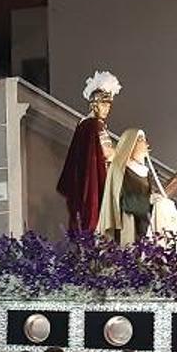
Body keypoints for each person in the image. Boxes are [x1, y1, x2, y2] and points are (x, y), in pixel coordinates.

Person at [58, 70, 120, 234]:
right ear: (94, 104)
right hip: (93, 183)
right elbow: (108, 153)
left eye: (109, 105)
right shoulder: (95, 125)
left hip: (84, 182)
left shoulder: (83, 124)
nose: (107, 109)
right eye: (104, 104)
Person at [98, 129, 177, 243]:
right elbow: (119, 200)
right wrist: (147, 200)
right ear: (130, 144)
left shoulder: (146, 173)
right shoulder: (120, 169)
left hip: (144, 227)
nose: (146, 145)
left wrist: (156, 202)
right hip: (126, 225)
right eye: (141, 140)